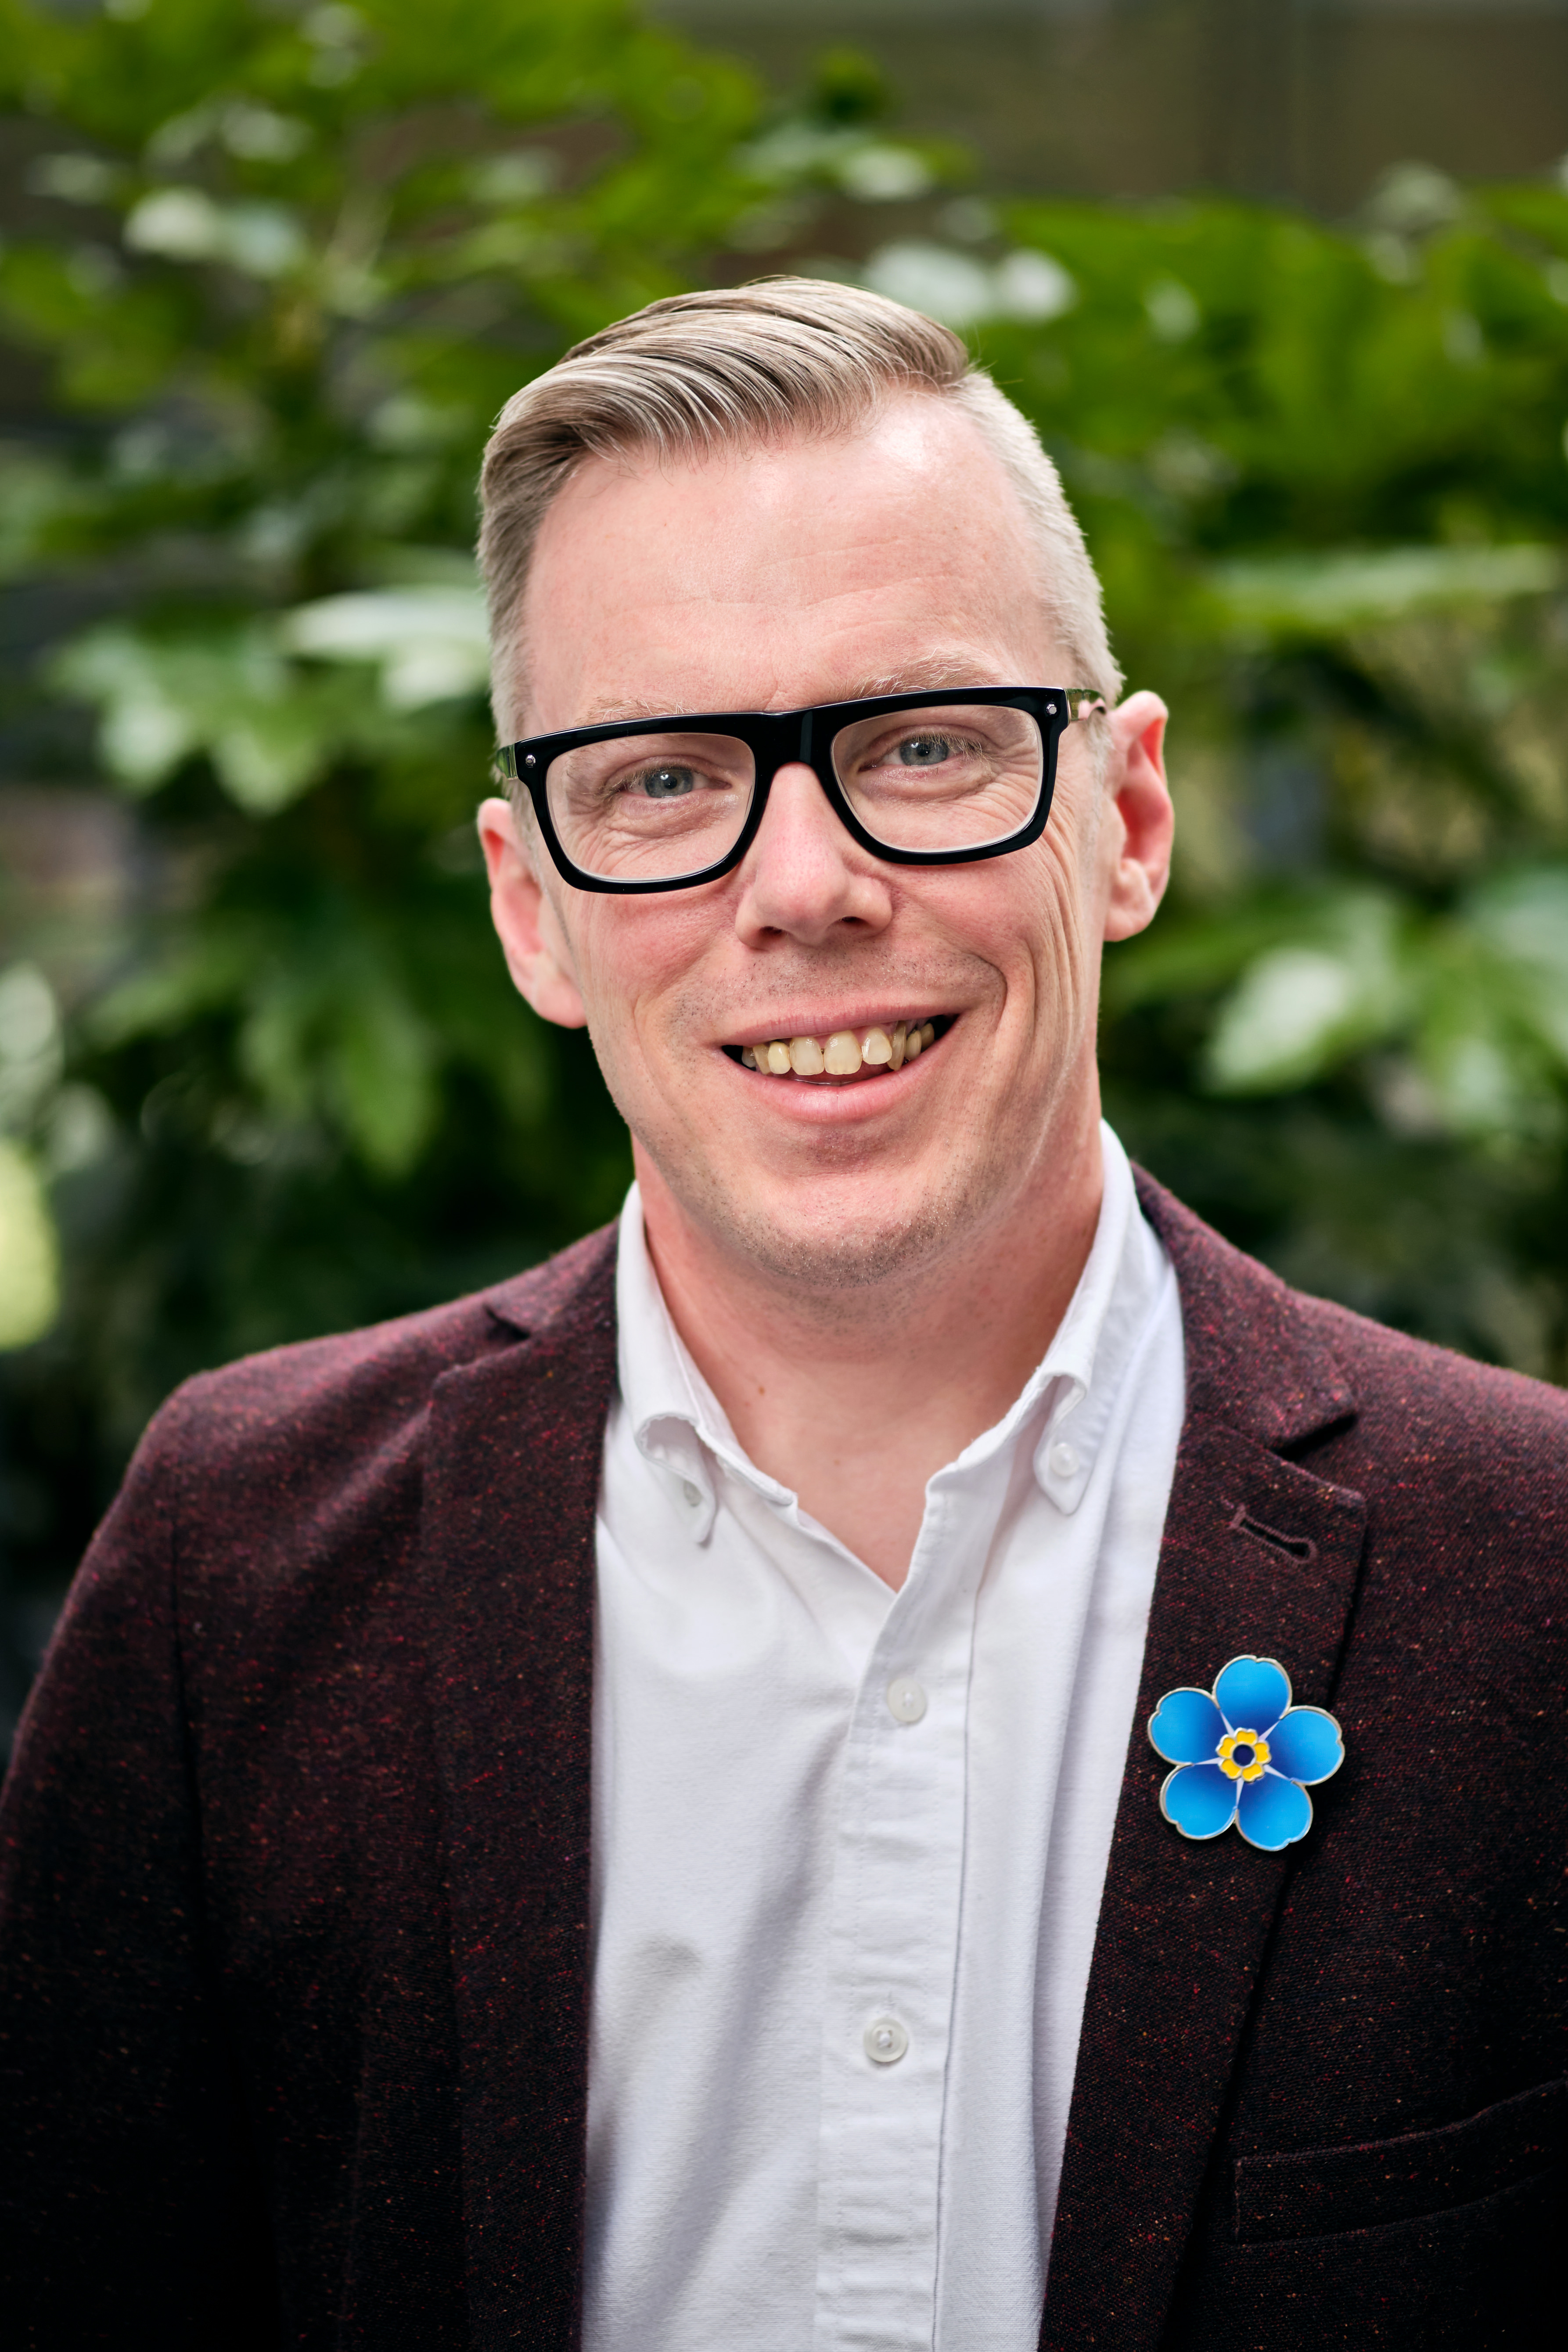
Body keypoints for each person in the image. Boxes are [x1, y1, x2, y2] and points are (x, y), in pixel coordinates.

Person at [0, 280, 1562, 2352]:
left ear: (1127, 818)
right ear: (528, 904)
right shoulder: (242, 1566)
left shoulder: (1530, 1579)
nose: (803, 884)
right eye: (659, 778)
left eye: (921, 743)